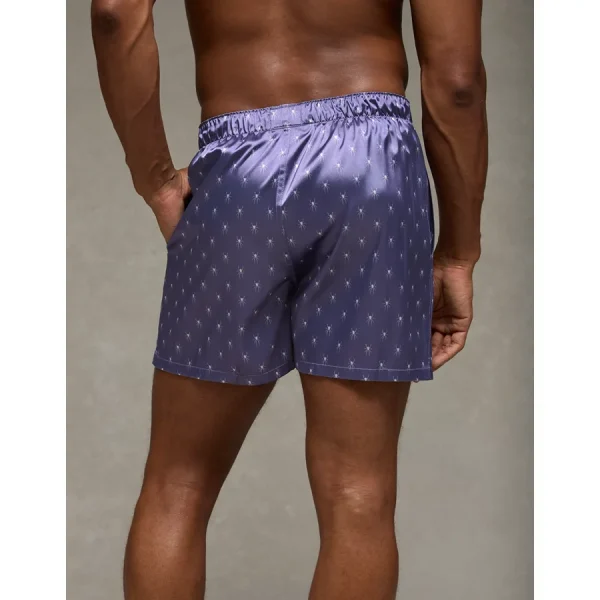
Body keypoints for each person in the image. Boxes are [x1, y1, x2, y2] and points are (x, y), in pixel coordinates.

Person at [91, 0, 487, 597]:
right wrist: (457, 251)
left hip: (238, 169)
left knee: (179, 485)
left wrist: (155, 178)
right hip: (375, 172)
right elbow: (457, 83)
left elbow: (114, 13)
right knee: (359, 496)